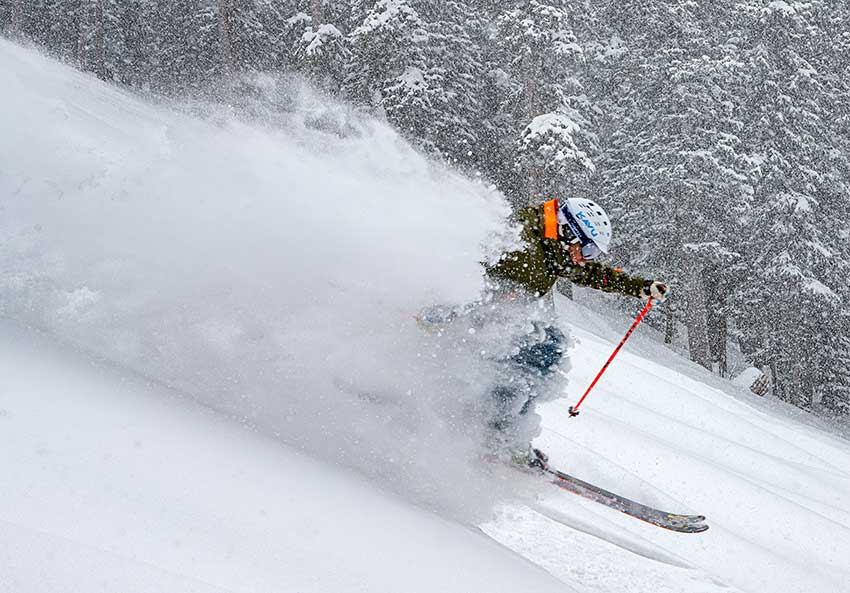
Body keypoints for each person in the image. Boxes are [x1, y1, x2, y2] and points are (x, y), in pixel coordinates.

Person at [418, 197, 668, 469]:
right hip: (471, 321)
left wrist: (639, 287)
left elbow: (591, 274)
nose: (585, 258)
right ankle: (494, 435)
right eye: (588, 249)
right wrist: (436, 315)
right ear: (569, 231)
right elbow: (469, 275)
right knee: (533, 352)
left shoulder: (552, 247)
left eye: (592, 253)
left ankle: (508, 434)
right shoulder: (522, 246)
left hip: (494, 319)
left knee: (546, 347)